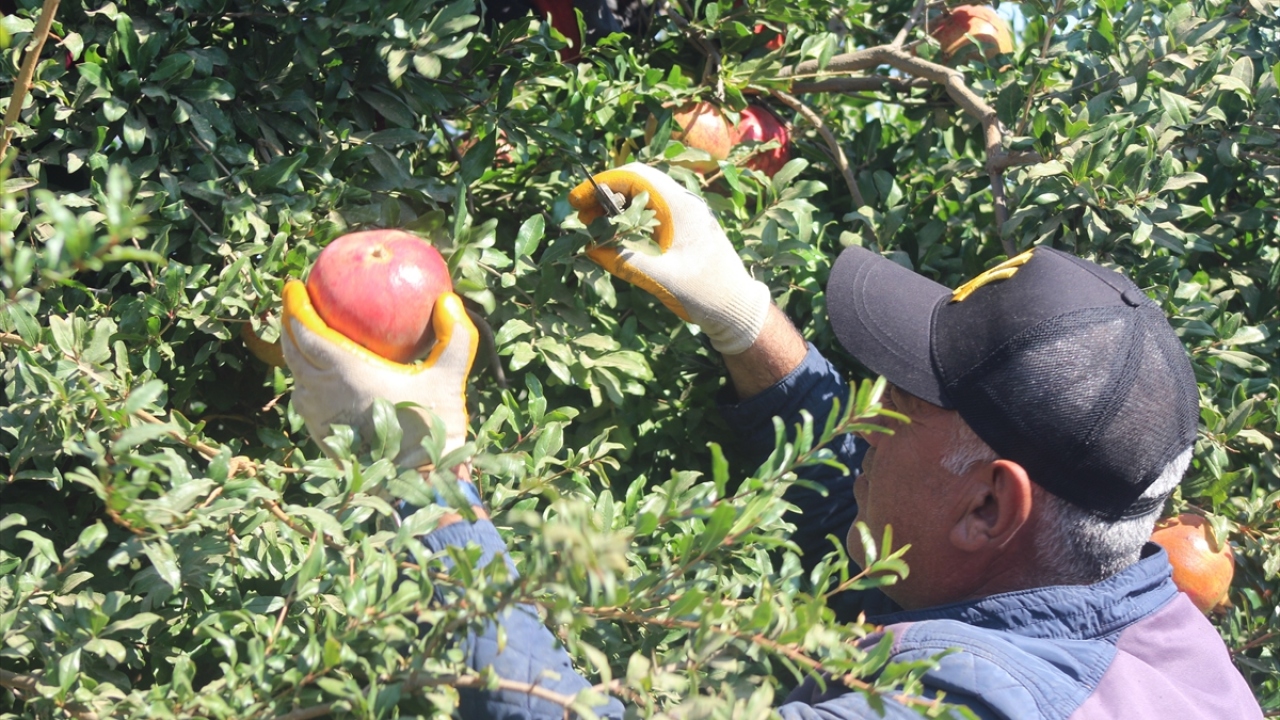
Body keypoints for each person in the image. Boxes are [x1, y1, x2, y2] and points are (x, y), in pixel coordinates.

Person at [280, 163, 1264, 719]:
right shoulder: (1155, 645)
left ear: (988, 503)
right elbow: (890, 518)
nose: (863, 420)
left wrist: (420, 477)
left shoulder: (970, 706)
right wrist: (742, 318)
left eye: (895, 401)